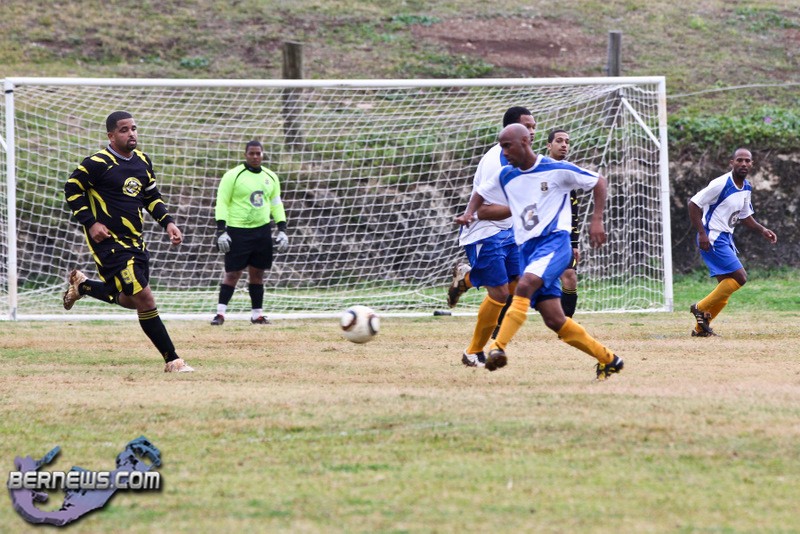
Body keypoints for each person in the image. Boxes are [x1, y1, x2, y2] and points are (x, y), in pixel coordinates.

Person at [455, 123, 623, 380]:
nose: (504, 152)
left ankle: (497, 347)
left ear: (525, 142)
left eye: (507, 146)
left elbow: (598, 181)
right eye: (501, 146)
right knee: (555, 319)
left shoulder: (555, 169)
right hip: (528, 250)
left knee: (523, 285)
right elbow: (480, 193)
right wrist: (470, 214)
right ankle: (609, 359)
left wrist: (597, 220)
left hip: (555, 243)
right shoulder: (506, 175)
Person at [62, 111, 193, 373]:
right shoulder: (97, 163)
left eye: (133, 128)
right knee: (145, 298)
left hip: (136, 242)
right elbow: (72, 189)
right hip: (109, 244)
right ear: (111, 136)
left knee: (132, 299)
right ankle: (173, 360)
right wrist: (91, 223)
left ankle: (84, 286)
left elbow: (151, 197)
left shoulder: (142, 161)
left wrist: (168, 223)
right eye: (124, 130)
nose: (131, 133)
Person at [447, 106, 536, 367]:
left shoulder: (522, 157)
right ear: (511, 130)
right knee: (498, 293)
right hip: (484, 232)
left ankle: (467, 279)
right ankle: (473, 352)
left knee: (517, 286)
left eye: (534, 127)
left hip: (509, 230)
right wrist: (520, 207)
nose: (532, 132)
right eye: (527, 126)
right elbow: (483, 211)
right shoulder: (495, 163)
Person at [688, 147, 777, 336]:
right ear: (732, 163)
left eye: (747, 161)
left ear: (752, 164)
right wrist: (702, 233)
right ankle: (699, 308)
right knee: (740, 277)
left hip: (726, 237)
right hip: (712, 236)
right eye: (739, 160)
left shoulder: (746, 188)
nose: (743, 163)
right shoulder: (720, 184)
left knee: (725, 287)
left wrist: (762, 229)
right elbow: (693, 204)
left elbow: (745, 217)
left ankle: (700, 330)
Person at [210, 140, 288, 325]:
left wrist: (282, 229)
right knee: (232, 274)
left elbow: (276, 204)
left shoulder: (271, 176)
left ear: (263, 154)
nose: (255, 156)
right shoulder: (233, 176)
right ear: (245, 154)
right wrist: (221, 230)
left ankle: (257, 315)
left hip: (262, 231)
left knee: (258, 273)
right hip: (237, 231)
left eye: (258, 153)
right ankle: (220, 314)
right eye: (251, 153)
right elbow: (222, 202)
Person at [547, 129, 580, 317]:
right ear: (549, 145)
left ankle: (566, 324)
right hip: (538, 237)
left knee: (570, 276)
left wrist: (574, 243)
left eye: (567, 141)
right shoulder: (538, 169)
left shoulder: (568, 173)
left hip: (563, 239)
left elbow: (573, 210)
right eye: (559, 141)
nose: (564, 145)